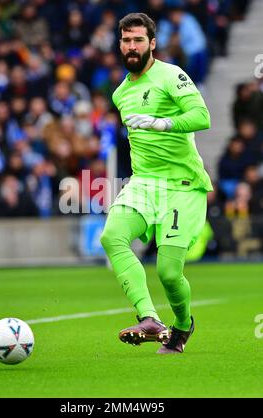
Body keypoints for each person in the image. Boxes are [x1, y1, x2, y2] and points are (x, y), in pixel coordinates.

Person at [100, 13, 212, 355]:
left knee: (168, 272)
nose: (131, 47)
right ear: (119, 44)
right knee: (112, 237)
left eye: (137, 40)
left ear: (152, 43)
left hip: (183, 185)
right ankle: (149, 318)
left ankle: (182, 325)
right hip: (144, 183)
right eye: (125, 40)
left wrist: (159, 123)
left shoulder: (172, 75)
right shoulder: (120, 93)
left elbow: (202, 118)